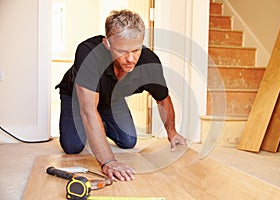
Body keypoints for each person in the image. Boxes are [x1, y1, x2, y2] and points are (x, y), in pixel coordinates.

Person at [55, 10, 186, 182]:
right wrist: (108, 161)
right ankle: (94, 126)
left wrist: (172, 132)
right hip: (77, 97)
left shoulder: (149, 64)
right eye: (123, 51)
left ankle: (98, 124)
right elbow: (87, 110)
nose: (131, 58)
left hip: (111, 99)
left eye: (136, 50)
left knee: (128, 140)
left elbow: (162, 98)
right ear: (107, 44)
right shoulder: (88, 53)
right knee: (72, 146)